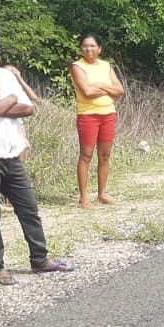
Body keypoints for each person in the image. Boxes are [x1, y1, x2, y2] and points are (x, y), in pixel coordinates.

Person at [0, 34, 73, 284]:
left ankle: (40, 259)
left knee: (29, 208)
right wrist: (10, 101)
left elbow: (29, 108)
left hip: (13, 153)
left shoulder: (8, 76)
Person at [69, 34, 125, 208]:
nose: (89, 49)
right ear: (81, 48)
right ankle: (83, 198)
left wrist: (100, 85)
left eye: (92, 46)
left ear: (99, 48)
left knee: (105, 155)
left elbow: (120, 90)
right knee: (86, 155)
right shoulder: (77, 67)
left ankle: (102, 194)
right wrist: (108, 89)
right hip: (88, 115)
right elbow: (86, 91)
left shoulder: (106, 66)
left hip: (108, 114)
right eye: (85, 46)